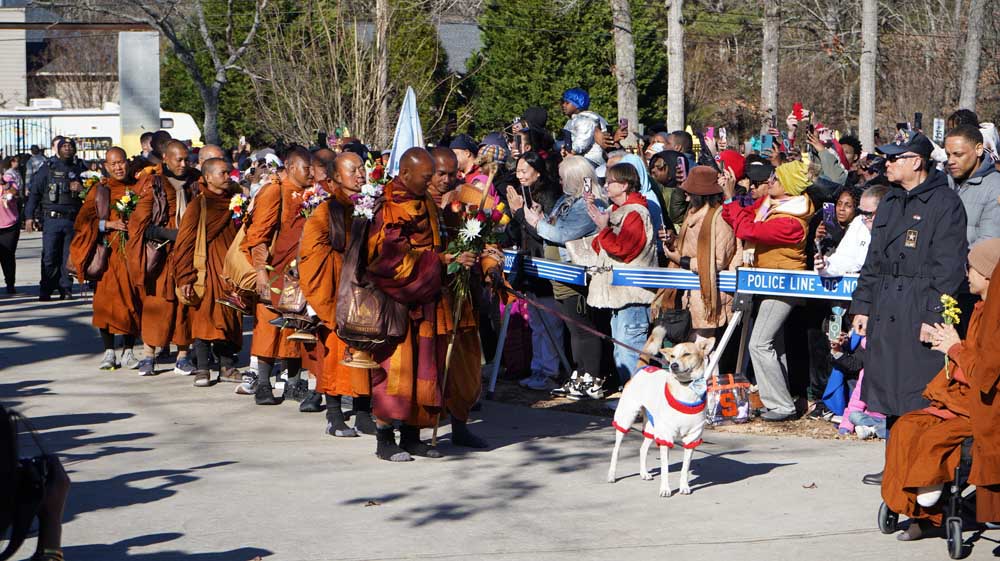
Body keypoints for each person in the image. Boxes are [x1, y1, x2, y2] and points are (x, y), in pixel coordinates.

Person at [850, 133, 968, 485]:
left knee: (917, 391)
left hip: (919, 305)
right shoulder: (890, 201)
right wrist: (862, 305)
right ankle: (894, 464)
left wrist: (934, 316)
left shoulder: (944, 202)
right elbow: (874, 259)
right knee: (888, 390)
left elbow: (948, 267)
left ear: (915, 161)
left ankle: (920, 470)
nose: (887, 164)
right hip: (887, 303)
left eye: (894, 158)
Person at [881, 239, 1000, 541]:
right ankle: (912, 509)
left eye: (971, 268)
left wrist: (956, 348)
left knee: (935, 437)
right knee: (905, 427)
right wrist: (950, 343)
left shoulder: (994, 317)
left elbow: (986, 370)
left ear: (988, 275)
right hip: (959, 396)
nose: (967, 274)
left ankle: (929, 504)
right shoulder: (978, 308)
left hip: (981, 405)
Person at [365, 147, 452, 461]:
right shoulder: (387, 206)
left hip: (426, 296)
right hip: (396, 300)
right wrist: (437, 261)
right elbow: (388, 260)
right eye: (426, 177)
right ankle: (384, 438)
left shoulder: (426, 201)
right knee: (394, 369)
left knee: (423, 366)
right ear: (405, 174)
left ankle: (413, 435)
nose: (431, 182)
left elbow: (435, 242)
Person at [721, 159, 815, 421]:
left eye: (776, 179)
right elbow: (740, 219)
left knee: (759, 343)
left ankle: (781, 405)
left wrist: (730, 197)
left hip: (784, 285)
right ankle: (777, 398)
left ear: (788, 187)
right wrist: (729, 200)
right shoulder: (772, 206)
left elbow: (747, 229)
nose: (769, 181)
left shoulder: (792, 222)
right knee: (774, 344)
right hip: (768, 281)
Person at [298, 151, 376, 435]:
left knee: (365, 352)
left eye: (361, 169)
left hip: (365, 294)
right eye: (352, 170)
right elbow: (309, 256)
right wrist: (328, 298)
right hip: (334, 293)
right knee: (334, 354)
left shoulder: (370, 206)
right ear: (334, 179)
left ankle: (364, 411)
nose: (360, 174)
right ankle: (334, 414)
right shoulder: (325, 212)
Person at [567, 163, 658, 387]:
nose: (606, 186)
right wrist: (600, 226)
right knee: (620, 349)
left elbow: (623, 250)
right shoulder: (618, 211)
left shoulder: (636, 212)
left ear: (625, 185)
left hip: (633, 296)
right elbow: (602, 246)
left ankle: (638, 402)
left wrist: (604, 228)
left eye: (611, 182)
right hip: (619, 296)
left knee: (631, 350)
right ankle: (628, 397)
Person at [523, 155, 605, 398]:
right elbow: (553, 224)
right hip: (558, 274)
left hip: (575, 274)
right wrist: (541, 217)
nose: (559, 182)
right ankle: (580, 375)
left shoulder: (589, 204)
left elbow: (564, 233)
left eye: (562, 178)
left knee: (582, 328)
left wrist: (537, 223)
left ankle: (592, 377)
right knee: (572, 328)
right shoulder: (567, 201)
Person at [241, 146, 312, 405]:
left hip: (298, 272)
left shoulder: (309, 194)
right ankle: (263, 383)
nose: (311, 174)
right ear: (292, 167)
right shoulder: (274, 191)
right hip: (273, 270)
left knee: (295, 325)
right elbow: (258, 236)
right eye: (307, 169)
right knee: (267, 328)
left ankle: (293, 384)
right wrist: (260, 271)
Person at [127, 140, 199, 376]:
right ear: (165, 158)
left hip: (189, 252)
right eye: (178, 159)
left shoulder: (195, 180)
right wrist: (165, 233)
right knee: (157, 302)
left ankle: (183, 355)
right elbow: (139, 222)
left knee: (185, 303)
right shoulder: (154, 182)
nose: (183, 163)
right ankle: (149, 355)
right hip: (163, 253)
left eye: (186, 159)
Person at [69, 148, 142, 370]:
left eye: (121, 162)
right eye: (113, 164)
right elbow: (81, 223)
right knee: (105, 303)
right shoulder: (100, 191)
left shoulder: (138, 188)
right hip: (108, 255)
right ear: (106, 167)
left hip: (132, 253)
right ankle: (109, 350)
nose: (118, 167)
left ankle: (128, 350)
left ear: (127, 164)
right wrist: (107, 225)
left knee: (133, 300)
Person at [172, 158, 243, 388]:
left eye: (228, 173)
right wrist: (184, 276)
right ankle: (203, 367)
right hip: (205, 269)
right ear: (208, 177)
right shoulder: (199, 205)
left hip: (230, 270)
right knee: (203, 317)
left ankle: (226, 366)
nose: (227, 177)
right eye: (222, 173)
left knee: (229, 315)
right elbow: (183, 243)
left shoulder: (236, 200)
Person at [506, 151, 566, 391]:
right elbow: (518, 230)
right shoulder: (523, 194)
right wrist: (514, 215)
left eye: (524, 171)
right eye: (517, 172)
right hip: (528, 265)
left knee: (550, 323)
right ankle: (538, 368)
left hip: (546, 265)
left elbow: (545, 235)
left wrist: (521, 213)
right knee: (536, 324)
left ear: (538, 171)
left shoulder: (548, 195)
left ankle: (550, 372)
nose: (520, 176)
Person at [662, 166, 738, 339]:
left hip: (709, 295)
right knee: (693, 349)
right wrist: (672, 241)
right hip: (690, 291)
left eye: (689, 192)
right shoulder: (692, 214)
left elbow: (718, 261)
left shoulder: (719, 219)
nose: (686, 195)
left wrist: (682, 260)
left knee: (701, 348)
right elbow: (689, 247)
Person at [24, 138, 86, 300]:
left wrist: (82, 189)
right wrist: (29, 217)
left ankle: (66, 288)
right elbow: (34, 194)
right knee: (50, 256)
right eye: (64, 146)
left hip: (72, 220)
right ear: (57, 149)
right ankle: (46, 288)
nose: (67, 149)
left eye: (70, 146)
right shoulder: (48, 169)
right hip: (52, 220)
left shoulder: (80, 169)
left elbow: (91, 194)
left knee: (68, 257)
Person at [815, 185, 889, 277]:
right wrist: (826, 266)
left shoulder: (896, 230)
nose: (864, 217)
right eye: (861, 212)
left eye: (868, 213)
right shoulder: (858, 222)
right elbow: (843, 257)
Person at [944, 125, 1000, 245]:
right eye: (948, 155)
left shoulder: (995, 187)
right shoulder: (945, 183)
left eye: (958, 154)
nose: (950, 161)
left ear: (978, 149)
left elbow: (989, 243)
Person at [0, 159, 20, 294]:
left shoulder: (8, 179)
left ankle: (10, 283)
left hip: (9, 224)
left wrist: (5, 184)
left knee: (7, 255)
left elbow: (15, 192)